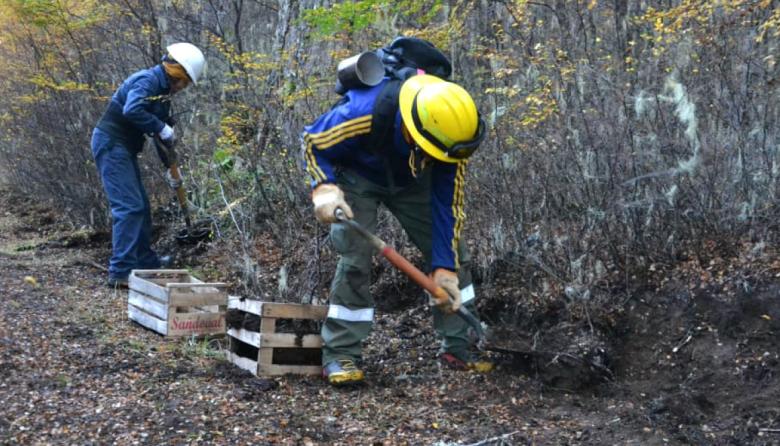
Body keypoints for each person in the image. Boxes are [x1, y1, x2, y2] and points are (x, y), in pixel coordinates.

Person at [302, 73, 493, 386]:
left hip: (413, 176)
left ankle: (460, 347)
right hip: (358, 176)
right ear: (414, 133)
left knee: (454, 255)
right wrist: (323, 188)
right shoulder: (361, 113)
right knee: (355, 258)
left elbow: (447, 206)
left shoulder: (452, 140)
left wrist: (444, 267)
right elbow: (312, 141)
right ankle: (340, 353)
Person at [91, 43, 205, 288]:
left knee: (141, 206)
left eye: (185, 84)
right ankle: (121, 271)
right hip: (111, 143)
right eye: (182, 81)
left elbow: (162, 138)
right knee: (129, 207)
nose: (181, 87)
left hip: (123, 147)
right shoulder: (148, 81)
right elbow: (132, 110)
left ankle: (145, 262)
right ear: (175, 71)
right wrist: (160, 126)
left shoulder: (162, 93)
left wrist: (171, 168)